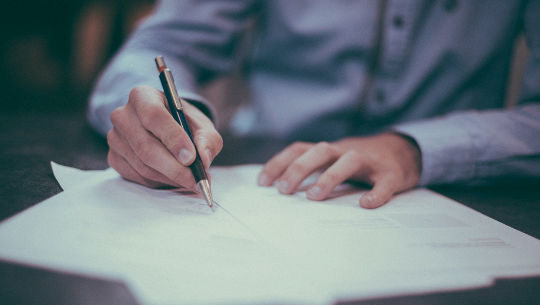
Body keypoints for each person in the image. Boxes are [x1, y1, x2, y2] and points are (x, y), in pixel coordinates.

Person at [88, 1, 540, 208]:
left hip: (460, 193)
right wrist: (164, 114)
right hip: (266, 175)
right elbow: (159, 45)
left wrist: (414, 148)